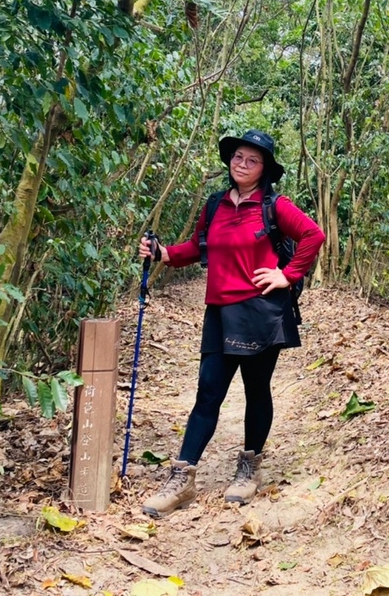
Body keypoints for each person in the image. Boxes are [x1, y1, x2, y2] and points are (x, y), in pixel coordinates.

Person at [138, 129, 325, 518]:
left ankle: (248, 468)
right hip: (219, 311)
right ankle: (182, 479)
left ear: (264, 169)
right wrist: (163, 253)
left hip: (261, 310)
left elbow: (313, 235)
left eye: (252, 160)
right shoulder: (215, 204)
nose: (242, 164)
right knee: (208, 393)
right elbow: (198, 247)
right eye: (238, 156)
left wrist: (287, 275)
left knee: (256, 389)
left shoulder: (274, 205)